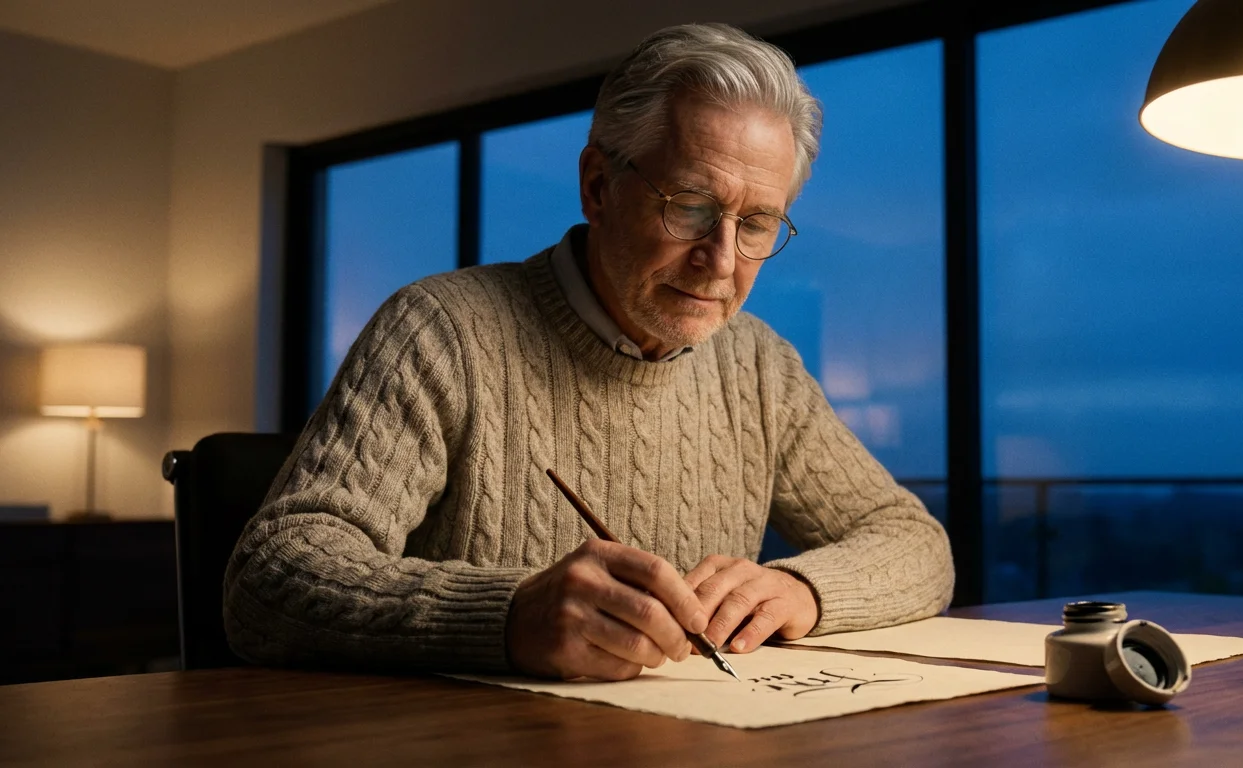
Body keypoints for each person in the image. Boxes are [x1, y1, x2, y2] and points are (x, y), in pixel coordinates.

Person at [224, 22, 953, 682]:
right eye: (691, 206)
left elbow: (917, 543)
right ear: (598, 186)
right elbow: (270, 578)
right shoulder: (440, 329)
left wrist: (803, 589)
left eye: (756, 223)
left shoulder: (760, 365)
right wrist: (508, 616)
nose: (722, 260)